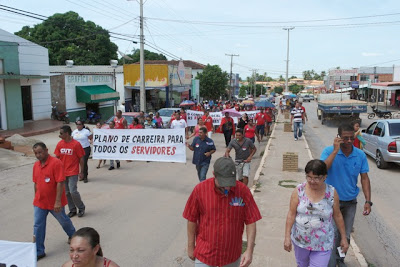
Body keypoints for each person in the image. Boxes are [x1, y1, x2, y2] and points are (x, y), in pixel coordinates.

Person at [183, 157, 262, 267]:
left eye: (230, 183)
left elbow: (251, 221)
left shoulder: (243, 191)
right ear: (214, 174)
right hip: (205, 256)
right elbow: (191, 218)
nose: (227, 187)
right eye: (223, 184)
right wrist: (191, 246)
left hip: (231, 257)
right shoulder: (200, 190)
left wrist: (249, 251)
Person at [320, 123, 372, 267]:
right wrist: (335, 151)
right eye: (345, 138)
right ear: (339, 138)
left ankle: (340, 259)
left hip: (350, 202)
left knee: (346, 235)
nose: (349, 141)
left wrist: (368, 201)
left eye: (351, 138)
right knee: (332, 235)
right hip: (330, 202)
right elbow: (322, 170)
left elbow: (364, 178)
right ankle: (329, 263)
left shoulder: (360, 155)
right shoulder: (329, 151)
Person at [284, 159, 349, 267]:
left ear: (324, 177)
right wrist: (287, 237)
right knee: (302, 264)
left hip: (323, 243)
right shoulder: (299, 191)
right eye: (309, 177)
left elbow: (337, 216)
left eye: (316, 178)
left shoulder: (332, 193)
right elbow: (291, 214)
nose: (312, 181)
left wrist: (343, 238)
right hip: (301, 240)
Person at [32, 142, 76, 260]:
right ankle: (39, 251)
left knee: (63, 220)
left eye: (40, 152)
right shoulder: (36, 165)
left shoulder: (56, 163)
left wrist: (57, 202)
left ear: (46, 150)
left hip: (54, 203)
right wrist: (36, 197)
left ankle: (73, 235)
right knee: (38, 226)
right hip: (40, 202)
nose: (38, 155)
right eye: (36, 153)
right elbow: (36, 183)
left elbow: (60, 182)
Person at [55, 125, 86, 218]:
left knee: (73, 191)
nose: (59, 135)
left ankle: (81, 207)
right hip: (63, 173)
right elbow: (57, 158)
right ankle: (72, 210)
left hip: (73, 172)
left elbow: (81, 158)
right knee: (66, 192)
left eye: (61, 133)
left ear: (67, 133)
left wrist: (82, 171)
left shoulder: (76, 144)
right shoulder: (60, 144)